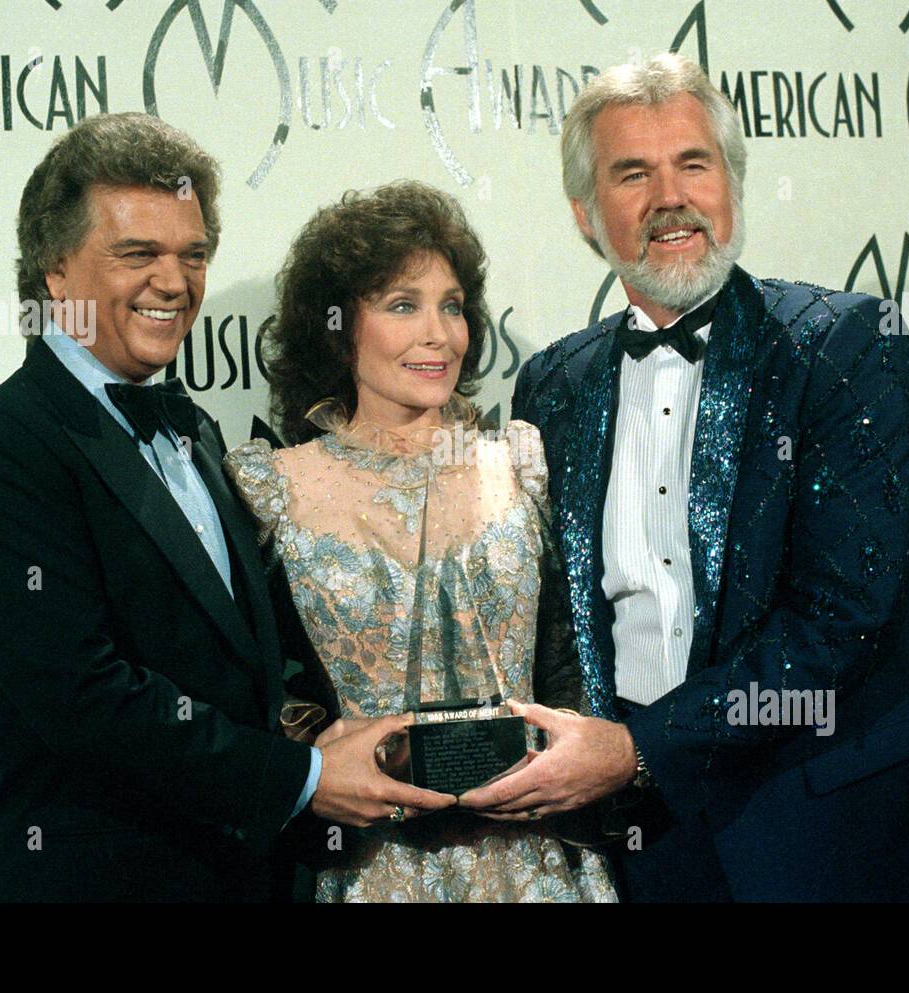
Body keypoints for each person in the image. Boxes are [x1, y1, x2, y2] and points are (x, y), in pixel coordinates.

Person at [460, 54, 909, 903]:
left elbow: (842, 623)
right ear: (586, 215)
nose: (670, 197)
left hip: (843, 837)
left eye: (694, 163)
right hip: (646, 845)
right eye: (632, 173)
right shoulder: (551, 383)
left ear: (733, 182)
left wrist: (641, 748)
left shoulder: (843, 343)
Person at [0, 113, 453, 903]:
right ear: (55, 271)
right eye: (138, 254)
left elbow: (244, 667)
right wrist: (304, 775)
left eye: (193, 254)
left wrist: (329, 738)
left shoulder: (195, 428)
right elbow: (84, 699)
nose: (174, 282)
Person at [223, 180, 617, 902]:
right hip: (371, 867)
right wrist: (311, 755)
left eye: (453, 306)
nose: (440, 333)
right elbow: (250, 686)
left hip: (531, 858)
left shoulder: (519, 462)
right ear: (339, 328)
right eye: (403, 304)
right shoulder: (271, 486)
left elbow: (567, 660)